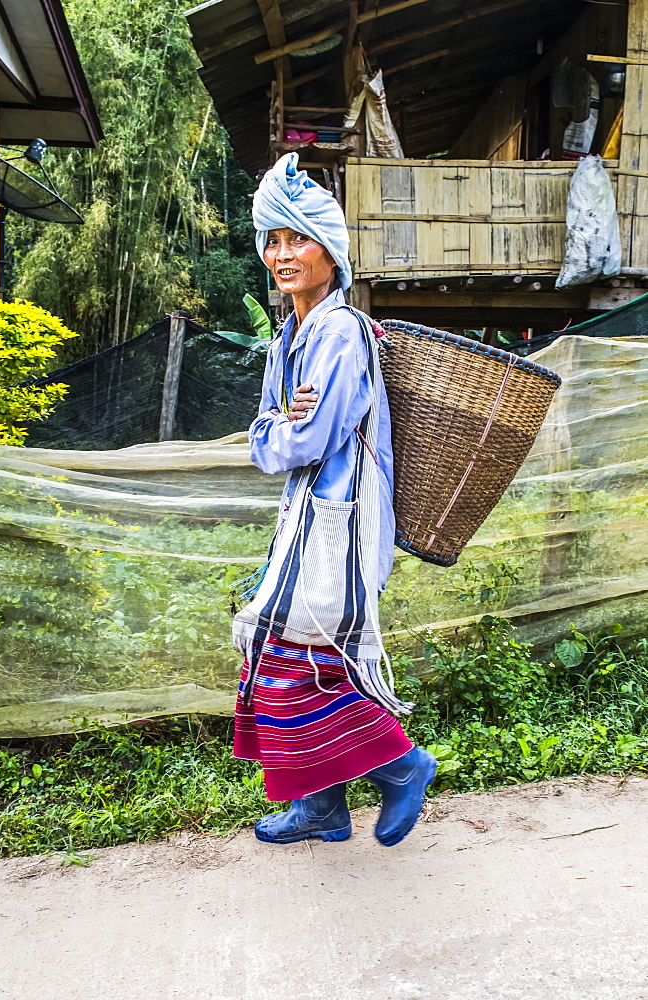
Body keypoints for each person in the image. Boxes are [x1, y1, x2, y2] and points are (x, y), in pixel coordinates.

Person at [232, 153, 436, 847]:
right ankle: (322, 809)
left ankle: (403, 767)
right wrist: (278, 428)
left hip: (343, 521)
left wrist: (281, 428)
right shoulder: (287, 337)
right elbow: (267, 436)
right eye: (273, 240)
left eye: (298, 238)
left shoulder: (342, 332)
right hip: (306, 520)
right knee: (296, 658)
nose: (282, 254)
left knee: (305, 661)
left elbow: (305, 439)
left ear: (330, 251)